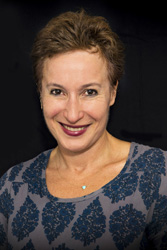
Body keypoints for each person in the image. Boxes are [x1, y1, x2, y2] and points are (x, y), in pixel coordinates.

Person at [0, 9, 167, 250]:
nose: (73, 114)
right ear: (40, 94)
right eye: (57, 92)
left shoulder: (158, 176)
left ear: (113, 92)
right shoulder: (12, 187)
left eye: (89, 92)